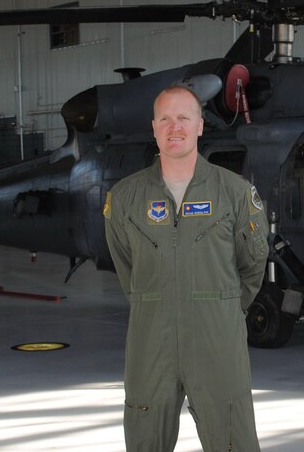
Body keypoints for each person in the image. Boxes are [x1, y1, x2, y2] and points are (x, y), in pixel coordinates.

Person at [104, 85, 270, 451]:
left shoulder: (235, 193)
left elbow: (253, 265)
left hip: (217, 341)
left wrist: (222, 307)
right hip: (151, 344)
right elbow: (126, 268)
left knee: (233, 439)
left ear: (199, 126)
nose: (173, 126)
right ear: (153, 127)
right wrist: (156, 303)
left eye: (183, 118)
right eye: (165, 118)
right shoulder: (125, 199)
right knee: (145, 438)